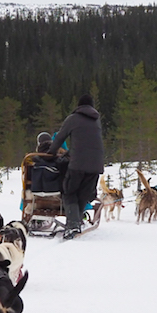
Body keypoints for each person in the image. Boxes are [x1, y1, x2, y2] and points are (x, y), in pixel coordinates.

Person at [46, 94, 104, 239]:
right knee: (82, 194)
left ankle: (72, 226)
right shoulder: (96, 121)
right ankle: (76, 221)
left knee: (69, 192)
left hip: (78, 163)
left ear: (79, 106)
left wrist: (51, 153)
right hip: (96, 165)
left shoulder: (73, 119)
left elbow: (60, 137)